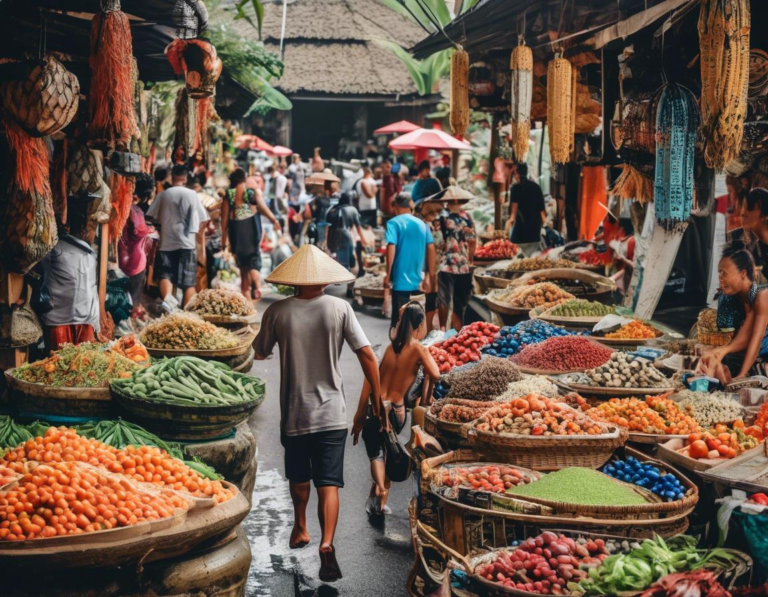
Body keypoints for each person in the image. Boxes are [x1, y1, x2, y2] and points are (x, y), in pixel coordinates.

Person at [253, 244, 384, 583]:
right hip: (332, 413)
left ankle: (301, 528)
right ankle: (327, 543)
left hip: (295, 413)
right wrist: (378, 399)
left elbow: (261, 350)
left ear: (291, 281)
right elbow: (368, 355)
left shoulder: (278, 312)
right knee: (330, 482)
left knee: (299, 476)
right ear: (325, 280)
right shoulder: (340, 308)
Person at [356, 302, 440, 515]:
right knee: (391, 450)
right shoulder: (420, 349)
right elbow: (436, 374)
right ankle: (382, 495)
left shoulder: (390, 348)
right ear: (419, 325)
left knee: (377, 454)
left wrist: (359, 413)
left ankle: (379, 490)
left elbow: (372, 378)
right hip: (395, 411)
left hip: (375, 408)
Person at [39, 196, 100, 351]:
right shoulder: (56, 248)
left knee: (65, 366)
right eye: (92, 227)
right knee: (74, 365)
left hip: (69, 320)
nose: (93, 232)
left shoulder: (88, 253)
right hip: (65, 320)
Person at [699, 247, 768, 384]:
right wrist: (719, 352)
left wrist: (741, 376)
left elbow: (756, 338)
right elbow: (730, 338)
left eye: (724, 273)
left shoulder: (762, 295)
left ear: (743, 273)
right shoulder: (727, 298)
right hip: (743, 356)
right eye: (719, 273)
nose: (720, 278)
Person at [146, 164, 209, 307]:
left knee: (165, 275)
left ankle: (168, 304)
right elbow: (203, 220)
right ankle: (183, 316)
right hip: (187, 245)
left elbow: (149, 217)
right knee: (188, 283)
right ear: (185, 178)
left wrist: (163, 226)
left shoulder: (163, 195)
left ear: (172, 176)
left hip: (166, 243)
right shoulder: (192, 194)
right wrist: (196, 237)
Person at [221, 168, 282, 301]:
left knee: (243, 265)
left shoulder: (229, 195)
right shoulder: (250, 193)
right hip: (251, 229)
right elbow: (263, 208)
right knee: (253, 259)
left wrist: (223, 240)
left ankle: (246, 295)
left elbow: (224, 220)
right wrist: (274, 220)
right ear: (244, 179)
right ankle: (258, 287)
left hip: (236, 232)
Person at [385, 193, 436, 330]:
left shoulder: (393, 223)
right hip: (419, 283)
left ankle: (399, 350)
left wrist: (387, 275)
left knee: (399, 325)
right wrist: (430, 277)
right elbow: (431, 249)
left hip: (400, 284)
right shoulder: (423, 225)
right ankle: (414, 350)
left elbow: (391, 247)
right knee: (416, 325)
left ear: (396, 206)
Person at [431, 189, 477, 331]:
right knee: (460, 302)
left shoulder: (441, 219)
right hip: (463, 265)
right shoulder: (467, 218)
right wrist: (469, 260)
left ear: (449, 202)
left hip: (446, 265)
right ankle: (458, 330)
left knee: (444, 300)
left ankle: (443, 329)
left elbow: (437, 243)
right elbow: (472, 241)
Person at [118, 173, 153, 309]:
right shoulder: (135, 210)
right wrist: (150, 230)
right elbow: (138, 231)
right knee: (132, 300)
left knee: (121, 298)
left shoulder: (122, 207)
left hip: (122, 258)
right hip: (135, 261)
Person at [326, 193, 369, 295]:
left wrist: (326, 241)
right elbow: (358, 228)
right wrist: (364, 241)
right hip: (346, 236)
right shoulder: (352, 209)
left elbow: (327, 228)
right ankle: (350, 288)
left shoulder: (332, 209)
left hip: (333, 236)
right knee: (352, 263)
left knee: (339, 259)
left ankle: (338, 278)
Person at [506, 163, 546, 256]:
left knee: (519, 260)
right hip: (534, 232)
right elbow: (542, 212)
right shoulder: (537, 187)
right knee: (531, 261)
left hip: (521, 232)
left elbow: (513, 215)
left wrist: (506, 230)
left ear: (516, 173)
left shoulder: (515, 188)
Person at [415, 200, 442, 332]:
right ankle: (430, 328)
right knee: (431, 297)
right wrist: (427, 273)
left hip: (434, 266)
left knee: (432, 297)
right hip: (432, 267)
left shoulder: (431, 226)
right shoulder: (427, 227)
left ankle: (430, 328)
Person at [739, 188, 768, 277]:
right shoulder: (738, 239)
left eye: (750, 208)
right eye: (743, 206)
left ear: (765, 215)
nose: (743, 212)